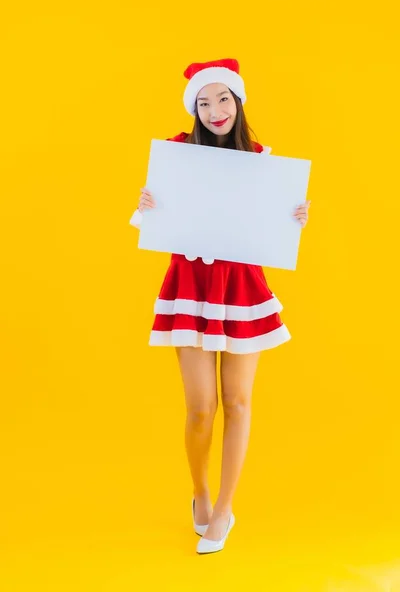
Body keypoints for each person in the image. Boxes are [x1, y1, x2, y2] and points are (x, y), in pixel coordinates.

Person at [130, 58, 311, 554]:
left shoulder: (261, 159)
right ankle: (201, 493)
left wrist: (294, 215)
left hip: (242, 290)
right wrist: (145, 206)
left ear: (238, 102)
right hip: (189, 287)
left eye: (223, 99)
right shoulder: (175, 154)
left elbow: (272, 229)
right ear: (194, 109)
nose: (215, 110)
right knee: (199, 410)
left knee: (237, 402)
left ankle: (225, 509)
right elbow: (155, 221)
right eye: (204, 102)